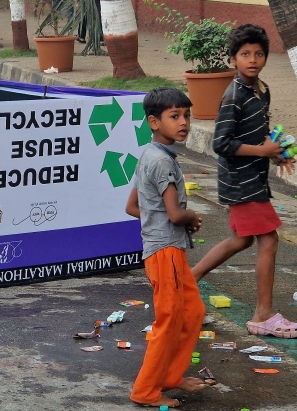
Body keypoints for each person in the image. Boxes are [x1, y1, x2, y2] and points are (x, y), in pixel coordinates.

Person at [191, 24, 297, 339]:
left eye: (258, 54)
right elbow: (221, 143)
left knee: (241, 240)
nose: (252, 60)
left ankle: (186, 281)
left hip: (254, 178)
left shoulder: (262, 90)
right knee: (268, 239)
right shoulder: (233, 96)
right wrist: (262, 151)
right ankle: (263, 315)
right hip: (241, 182)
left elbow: (258, 133)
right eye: (245, 54)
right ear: (233, 59)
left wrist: (276, 154)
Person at [125, 87, 206, 408]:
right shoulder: (162, 162)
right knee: (169, 320)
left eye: (186, 115)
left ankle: (171, 376)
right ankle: (145, 390)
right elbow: (174, 214)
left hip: (167, 249)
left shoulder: (150, 154)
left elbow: (133, 206)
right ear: (154, 122)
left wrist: (167, 220)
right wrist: (191, 216)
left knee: (193, 311)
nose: (183, 122)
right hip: (165, 253)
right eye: (175, 116)